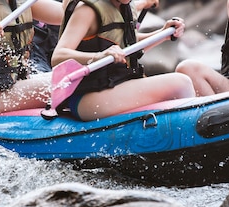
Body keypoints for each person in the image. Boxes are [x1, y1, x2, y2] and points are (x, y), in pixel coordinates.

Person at [50, 0, 195, 121]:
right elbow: (58, 56)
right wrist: (98, 56)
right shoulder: (87, 10)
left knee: (183, 83)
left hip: (118, 85)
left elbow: (129, 45)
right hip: (87, 98)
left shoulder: (126, 7)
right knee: (181, 83)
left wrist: (163, 34)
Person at [30, 0, 160, 73]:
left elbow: (108, 13)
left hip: (51, 54)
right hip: (37, 60)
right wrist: (142, 3)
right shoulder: (87, 11)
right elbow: (68, 14)